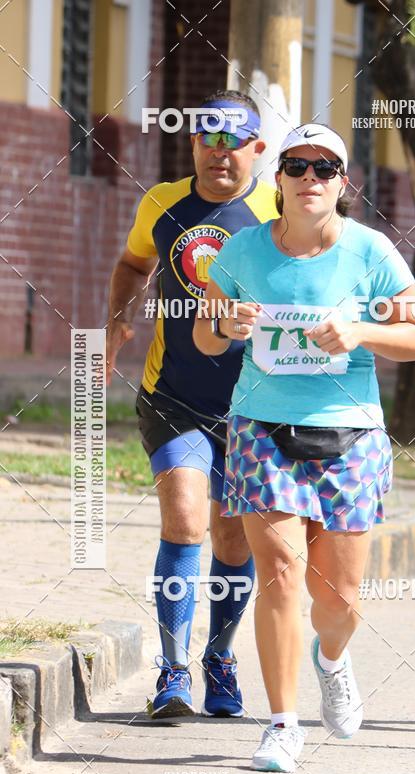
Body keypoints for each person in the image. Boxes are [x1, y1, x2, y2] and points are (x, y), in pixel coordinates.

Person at [193, 123, 415, 771]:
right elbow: (205, 338)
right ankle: (281, 723)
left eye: (324, 168)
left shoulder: (370, 251)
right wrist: (226, 320)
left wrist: (358, 331)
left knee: (338, 600)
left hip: (350, 436)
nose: (309, 178)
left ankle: (332, 659)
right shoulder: (243, 252)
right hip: (259, 430)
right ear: (277, 180)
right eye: (296, 166)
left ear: (343, 183)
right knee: (277, 576)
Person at [106, 91, 277, 720]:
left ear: (259, 148)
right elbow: (132, 264)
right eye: (209, 139)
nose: (220, 153)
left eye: (235, 141)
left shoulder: (277, 208)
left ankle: (220, 659)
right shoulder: (162, 203)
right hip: (175, 394)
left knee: (234, 539)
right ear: (194, 145)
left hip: (257, 403)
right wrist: (117, 325)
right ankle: (173, 671)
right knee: (185, 523)